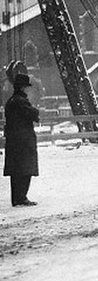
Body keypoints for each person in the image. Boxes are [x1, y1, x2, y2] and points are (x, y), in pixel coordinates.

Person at [3, 73, 39, 206]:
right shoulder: (21, 101)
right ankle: (22, 197)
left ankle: (16, 198)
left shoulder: (11, 101)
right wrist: (36, 111)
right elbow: (32, 114)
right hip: (24, 141)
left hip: (13, 141)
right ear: (23, 88)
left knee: (15, 171)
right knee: (25, 169)